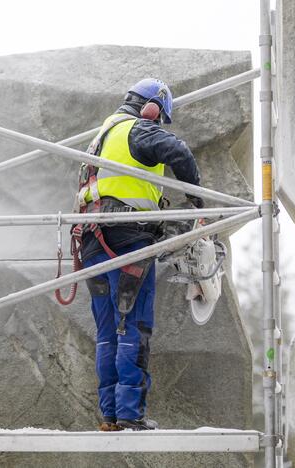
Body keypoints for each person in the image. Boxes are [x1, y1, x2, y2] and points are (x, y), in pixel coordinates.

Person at [76, 78, 203, 431]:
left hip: (90, 240)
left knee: (106, 331)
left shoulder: (101, 136)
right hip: (126, 238)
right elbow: (179, 152)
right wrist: (195, 200)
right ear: (152, 108)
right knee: (133, 326)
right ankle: (131, 414)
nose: (157, 124)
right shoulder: (138, 129)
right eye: (159, 117)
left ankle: (110, 416)